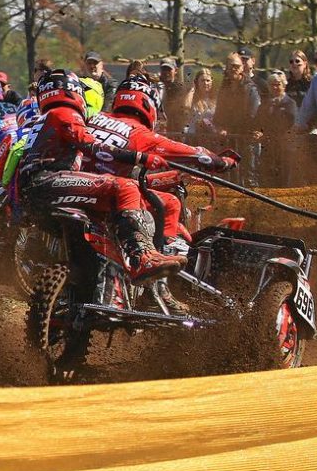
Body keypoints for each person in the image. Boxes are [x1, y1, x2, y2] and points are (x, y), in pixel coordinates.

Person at [84, 75, 239, 310]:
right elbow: (194, 153)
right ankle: (157, 287)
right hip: (110, 197)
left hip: (74, 185)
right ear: (149, 106)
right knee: (170, 203)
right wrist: (222, 161)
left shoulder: (93, 118)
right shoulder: (139, 133)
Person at [16, 69, 186, 281]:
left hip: (33, 190)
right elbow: (94, 147)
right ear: (72, 91)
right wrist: (140, 157)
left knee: (116, 196)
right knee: (125, 187)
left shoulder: (42, 119)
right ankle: (141, 257)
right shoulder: (64, 113)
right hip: (49, 181)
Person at [252, 71, 298, 185]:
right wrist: (258, 132)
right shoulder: (264, 105)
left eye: (278, 84)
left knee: (284, 179)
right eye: (272, 85)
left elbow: (289, 124)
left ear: (284, 85)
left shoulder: (290, 104)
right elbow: (257, 122)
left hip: (284, 148)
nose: (275, 87)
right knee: (267, 179)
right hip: (267, 148)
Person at [214, 53, 260, 142]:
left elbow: (253, 115)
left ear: (242, 68)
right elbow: (218, 114)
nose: (234, 69)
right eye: (231, 66)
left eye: (237, 66)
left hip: (246, 138)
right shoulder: (224, 89)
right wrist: (220, 127)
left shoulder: (250, 89)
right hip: (227, 138)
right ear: (227, 68)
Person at [158, 59, 189, 133]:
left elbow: (176, 109)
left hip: (174, 127)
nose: (166, 72)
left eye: (169, 69)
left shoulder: (179, 88)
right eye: (164, 69)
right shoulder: (155, 86)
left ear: (176, 70)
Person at [186, 69, 217, 136]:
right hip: (193, 137)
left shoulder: (215, 99)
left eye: (208, 80)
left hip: (211, 137)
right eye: (202, 80)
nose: (205, 83)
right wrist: (193, 88)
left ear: (211, 82)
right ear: (197, 82)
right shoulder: (192, 98)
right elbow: (186, 106)